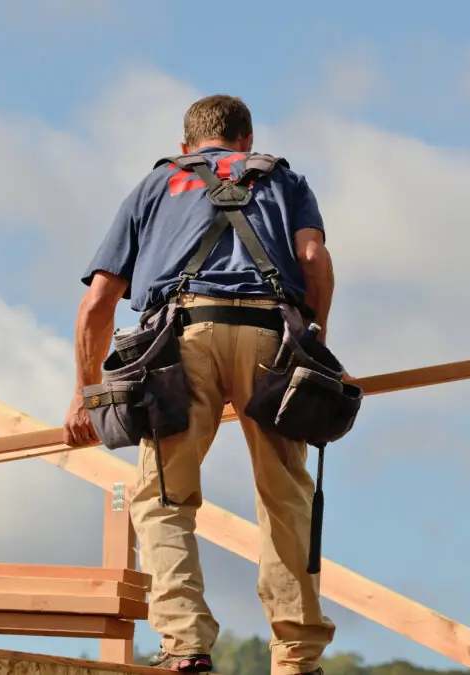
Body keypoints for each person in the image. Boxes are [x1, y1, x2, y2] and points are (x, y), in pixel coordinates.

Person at [62, 94, 336, 674]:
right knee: (286, 499)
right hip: (270, 335)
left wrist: (87, 395)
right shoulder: (283, 179)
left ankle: (186, 645)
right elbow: (313, 260)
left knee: (163, 498)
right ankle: (297, 656)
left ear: (188, 146)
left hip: (180, 343)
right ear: (246, 141)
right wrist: (314, 344)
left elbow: (96, 306)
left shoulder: (155, 186)